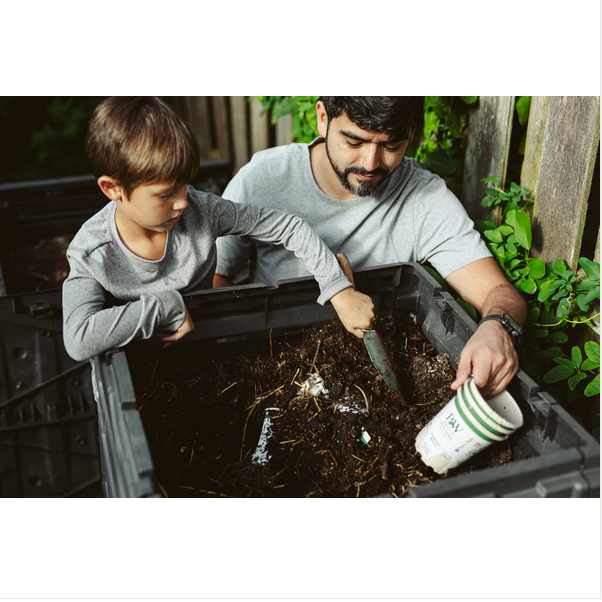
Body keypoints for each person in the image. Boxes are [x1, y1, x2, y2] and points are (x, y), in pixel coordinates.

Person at [215, 96, 527, 398]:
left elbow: (497, 291)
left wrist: (497, 328)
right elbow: (219, 280)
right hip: (272, 360)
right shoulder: (263, 179)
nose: (370, 163)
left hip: (369, 375)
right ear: (323, 118)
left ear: (411, 136)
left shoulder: (424, 199)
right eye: (354, 142)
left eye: (391, 146)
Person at [62, 97, 374, 362]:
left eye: (184, 186)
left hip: (209, 349)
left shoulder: (201, 211)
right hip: (138, 366)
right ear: (112, 188)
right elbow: (78, 337)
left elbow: (286, 225)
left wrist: (337, 287)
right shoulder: (92, 251)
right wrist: (167, 306)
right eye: (165, 193)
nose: (182, 202)